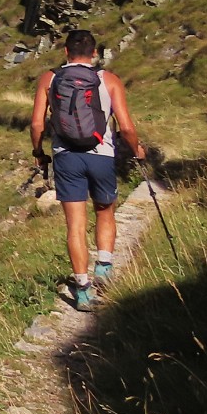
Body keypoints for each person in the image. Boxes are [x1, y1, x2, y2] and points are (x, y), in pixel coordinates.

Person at [30, 29, 145, 311]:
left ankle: (82, 290)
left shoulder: (50, 78)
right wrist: (137, 150)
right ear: (94, 53)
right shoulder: (109, 80)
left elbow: (36, 124)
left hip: (66, 157)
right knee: (105, 211)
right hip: (102, 155)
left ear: (66, 52)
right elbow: (127, 127)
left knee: (75, 226)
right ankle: (103, 267)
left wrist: (38, 153)